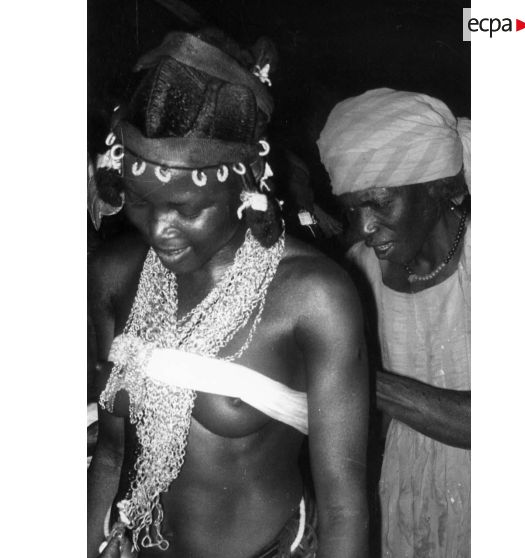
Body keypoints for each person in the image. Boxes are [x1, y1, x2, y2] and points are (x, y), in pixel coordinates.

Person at [87, 29, 370, 558]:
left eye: (189, 209)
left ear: (246, 187)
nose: (160, 231)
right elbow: (110, 452)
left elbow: (345, 508)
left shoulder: (311, 296)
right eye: (142, 202)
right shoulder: (114, 274)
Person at [318, 88, 471, 558]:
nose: (364, 226)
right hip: (405, 498)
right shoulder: (356, 275)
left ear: (437, 187)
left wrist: (350, 376)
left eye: (379, 203)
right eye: (352, 209)